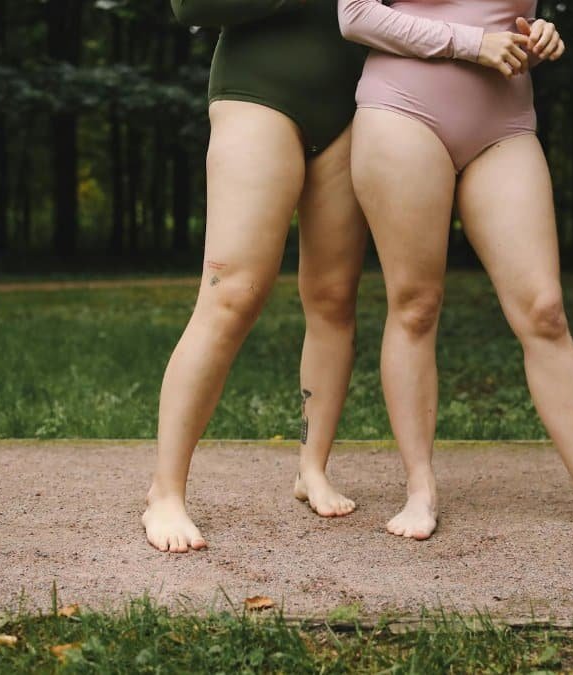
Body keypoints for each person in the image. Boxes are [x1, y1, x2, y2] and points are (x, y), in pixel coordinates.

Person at [338, 0, 573, 544]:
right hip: (403, 112)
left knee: (544, 310)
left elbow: (502, 23)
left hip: (504, 124)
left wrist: (541, 37)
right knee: (416, 306)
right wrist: (472, 44)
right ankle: (420, 489)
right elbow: (352, 15)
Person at [142, 0, 369, 553]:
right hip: (259, 94)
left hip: (359, 101)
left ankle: (312, 469)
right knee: (231, 294)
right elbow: (191, 5)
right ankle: (164, 493)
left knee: (334, 297)